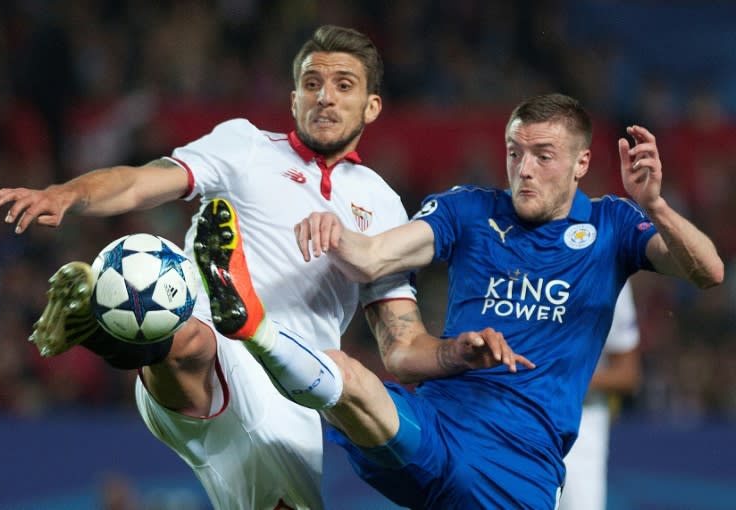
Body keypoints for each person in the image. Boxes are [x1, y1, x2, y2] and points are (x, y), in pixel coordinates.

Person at [0, 25, 528, 510]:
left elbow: (400, 347)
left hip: (290, 389)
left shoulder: (383, 207)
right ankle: (136, 321)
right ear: (293, 99)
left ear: (372, 107)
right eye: (312, 84)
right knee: (186, 320)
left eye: (343, 85)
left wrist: (457, 351)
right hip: (205, 334)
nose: (325, 97)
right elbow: (137, 181)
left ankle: (120, 314)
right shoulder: (244, 145)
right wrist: (69, 193)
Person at [279, 93, 721, 508]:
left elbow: (707, 272)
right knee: (343, 378)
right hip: (435, 428)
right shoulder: (469, 210)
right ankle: (253, 330)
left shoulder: (613, 226)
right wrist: (333, 230)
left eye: (543, 156)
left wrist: (656, 206)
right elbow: (373, 258)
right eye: (515, 152)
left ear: (580, 162)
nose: (524, 169)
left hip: (519, 464)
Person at [560, 281, 641, 510]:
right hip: (514, 413)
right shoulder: (516, 257)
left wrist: (557, 378)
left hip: (582, 424)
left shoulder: (612, 271)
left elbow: (628, 373)